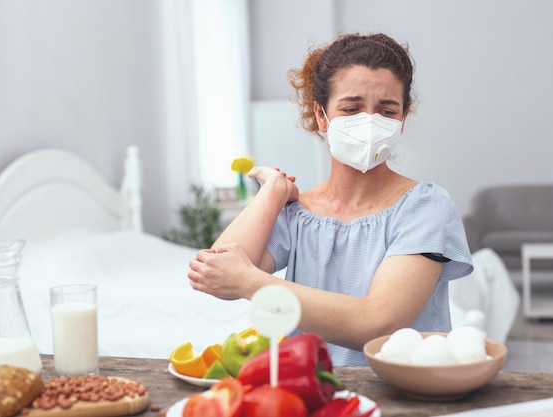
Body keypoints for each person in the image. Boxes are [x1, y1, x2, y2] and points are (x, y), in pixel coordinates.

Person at [187, 32, 474, 366]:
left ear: (403, 119)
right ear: (322, 116)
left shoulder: (426, 207)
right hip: (308, 392)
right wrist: (272, 193)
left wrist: (251, 283)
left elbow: (379, 322)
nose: (369, 122)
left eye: (386, 111)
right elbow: (214, 272)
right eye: (351, 109)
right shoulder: (298, 214)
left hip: (402, 397)